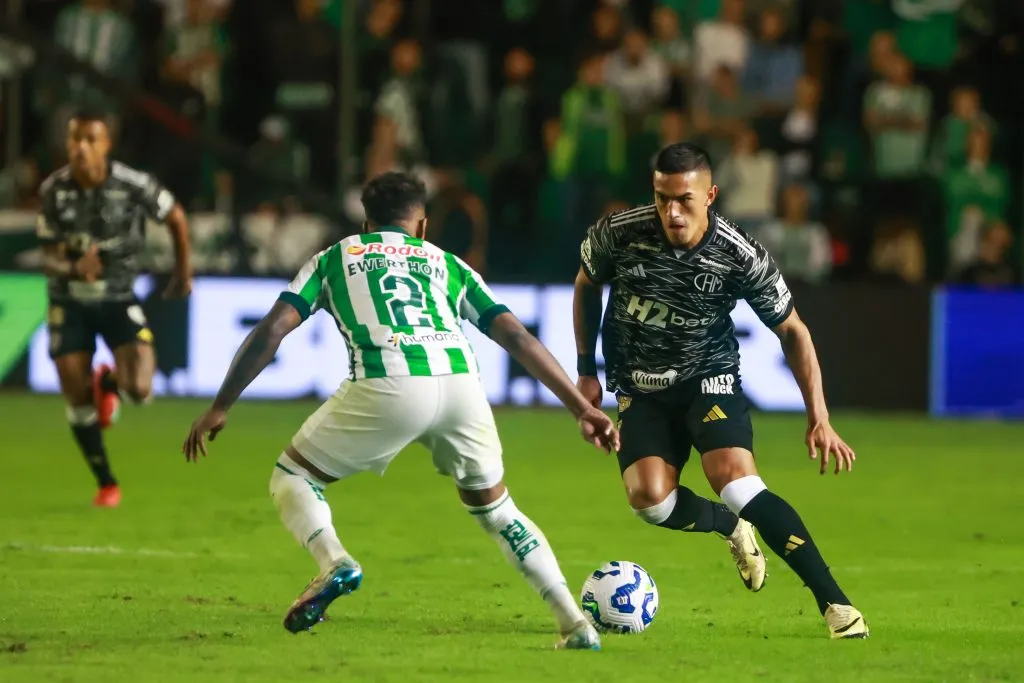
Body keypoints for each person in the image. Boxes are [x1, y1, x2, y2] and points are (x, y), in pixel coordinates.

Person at [183, 171, 618, 650]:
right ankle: (574, 622)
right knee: (497, 509)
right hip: (460, 388)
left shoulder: (335, 258)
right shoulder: (446, 263)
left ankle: (334, 562)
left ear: (367, 224)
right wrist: (580, 407)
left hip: (386, 381)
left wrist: (221, 405)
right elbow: (516, 336)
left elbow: (273, 329)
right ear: (423, 226)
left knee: (292, 477)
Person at [573, 142, 868, 639]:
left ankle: (836, 605)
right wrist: (585, 369)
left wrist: (818, 414)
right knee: (649, 502)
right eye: (662, 197)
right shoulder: (618, 234)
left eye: (684, 199)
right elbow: (586, 283)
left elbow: (793, 330)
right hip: (640, 389)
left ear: (709, 195)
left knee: (736, 483)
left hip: (708, 380)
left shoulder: (738, 253)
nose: (671, 211)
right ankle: (727, 526)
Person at [37, 109, 193, 507]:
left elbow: (175, 217)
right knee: (75, 393)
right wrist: (74, 267)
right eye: (74, 139)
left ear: (107, 144)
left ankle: (109, 384)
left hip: (119, 297)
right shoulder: (54, 190)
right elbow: (47, 257)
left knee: (140, 390)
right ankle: (106, 482)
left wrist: (183, 273)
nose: (80, 148)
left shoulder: (133, 184)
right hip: (68, 301)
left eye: (90, 139)